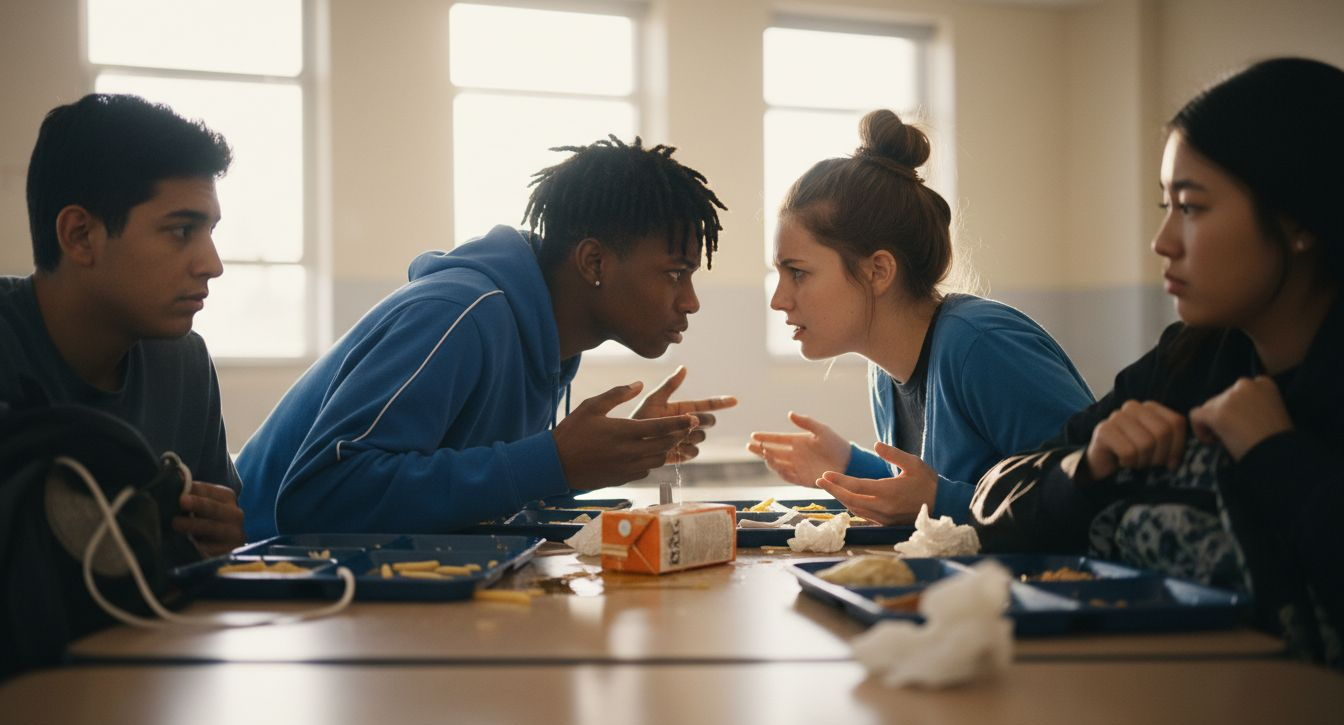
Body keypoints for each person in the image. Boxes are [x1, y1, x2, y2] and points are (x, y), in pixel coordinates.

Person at [969, 58, 1344, 666]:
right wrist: (1086, 468)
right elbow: (996, 496)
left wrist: (1275, 454)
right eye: (1164, 205)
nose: (1163, 241)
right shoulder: (1191, 360)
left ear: (1298, 220)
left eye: (1191, 208)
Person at [238, 136, 734, 538]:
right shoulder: (458, 316)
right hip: (261, 587)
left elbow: (481, 494)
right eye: (674, 273)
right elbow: (320, 498)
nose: (689, 301)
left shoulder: (546, 338)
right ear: (594, 262)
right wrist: (552, 460)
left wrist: (614, 452)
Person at [748, 110, 1094, 525]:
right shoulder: (883, 373)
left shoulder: (982, 345)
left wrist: (942, 502)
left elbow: (1091, 494)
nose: (779, 300)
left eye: (798, 273)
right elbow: (921, 492)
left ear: (878, 271)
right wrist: (848, 464)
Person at [0, 93, 245, 560]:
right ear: (80, 235)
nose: (212, 265)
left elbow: (207, 556)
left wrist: (225, 544)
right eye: (180, 231)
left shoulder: (184, 363)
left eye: (209, 231)